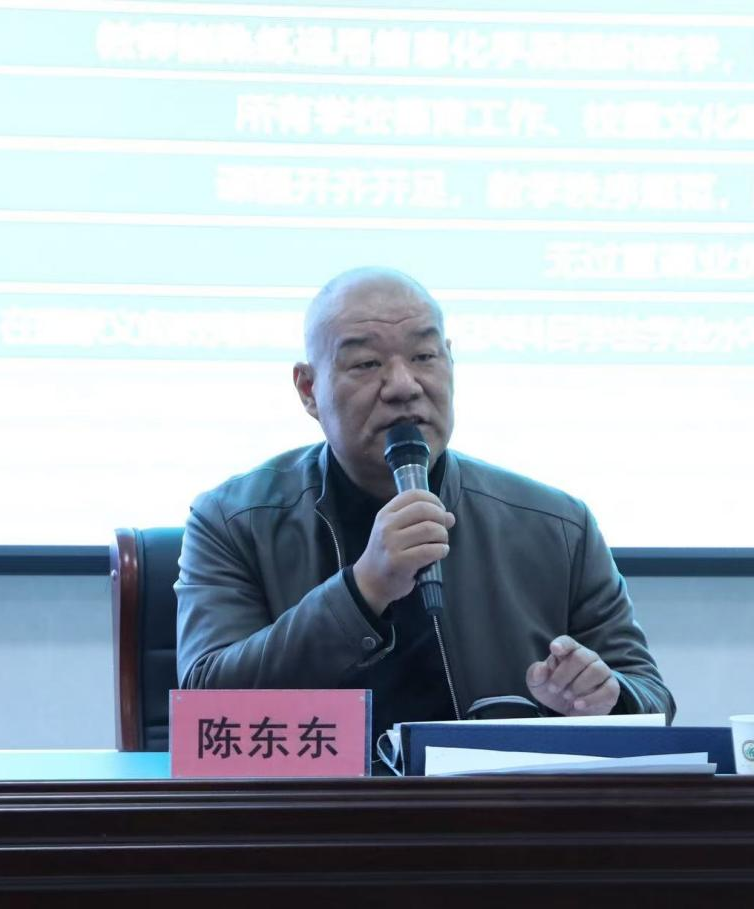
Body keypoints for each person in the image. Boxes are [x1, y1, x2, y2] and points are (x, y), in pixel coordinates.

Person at [175, 267, 675, 741]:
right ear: (309, 389)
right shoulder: (233, 520)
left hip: (493, 802)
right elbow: (204, 707)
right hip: (315, 800)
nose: (403, 386)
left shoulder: (558, 525)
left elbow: (651, 699)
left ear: (450, 362)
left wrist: (604, 697)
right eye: (367, 363)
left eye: (424, 356)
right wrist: (362, 590)